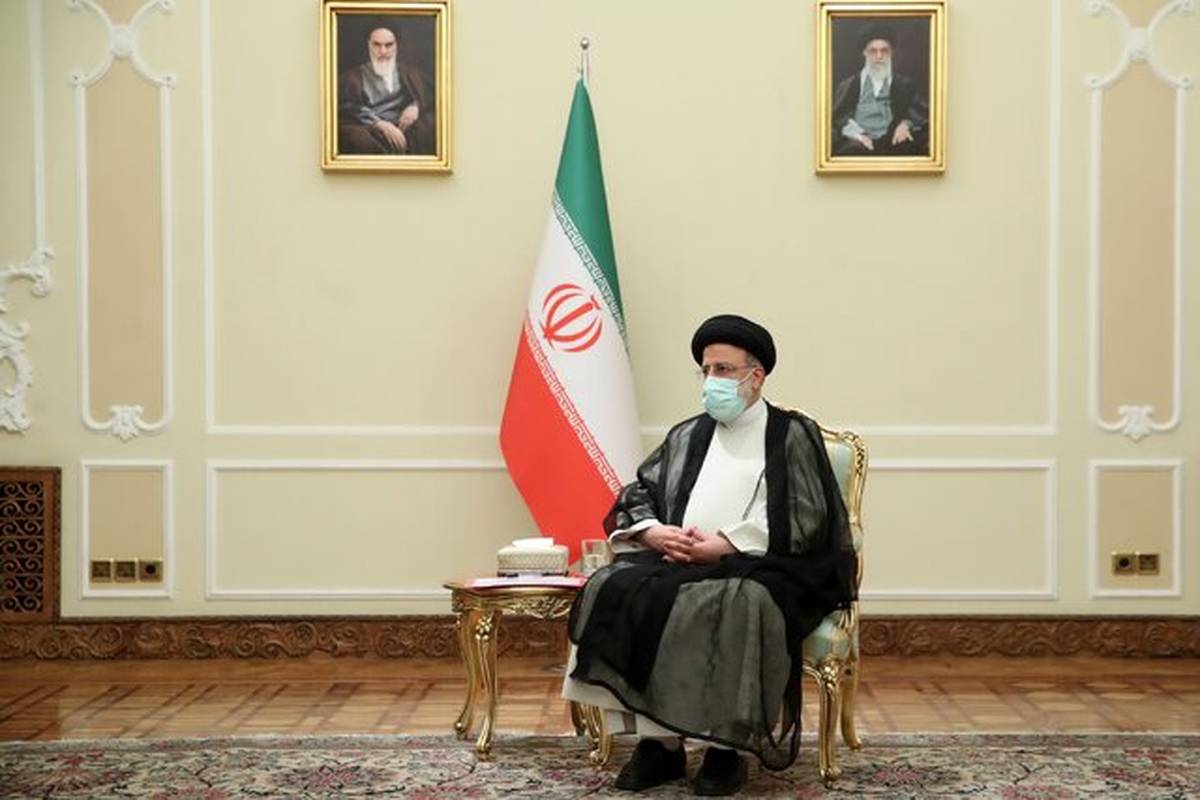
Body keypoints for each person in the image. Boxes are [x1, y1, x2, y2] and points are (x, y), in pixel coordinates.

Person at [562, 315, 858, 795]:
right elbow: (639, 492)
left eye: (723, 370)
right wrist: (656, 533)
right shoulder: (688, 434)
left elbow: (807, 514)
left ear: (755, 376)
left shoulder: (790, 434)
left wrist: (728, 543)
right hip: (680, 558)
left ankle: (725, 749)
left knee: (738, 600)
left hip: (764, 563)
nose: (711, 381)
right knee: (612, 585)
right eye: (705, 371)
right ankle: (660, 746)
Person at [831, 24, 929, 156]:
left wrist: (905, 125)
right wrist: (858, 135)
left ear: (891, 53)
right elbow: (838, 118)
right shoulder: (848, 85)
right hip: (858, 143)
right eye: (873, 51)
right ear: (864, 53)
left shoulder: (905, 84)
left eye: (884, 51)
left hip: (894, 140)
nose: (879, 56)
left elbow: (918, 110)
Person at [338, 26, 435, 155]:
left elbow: (429, 96)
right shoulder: (351, 78)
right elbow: (347, 108)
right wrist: (379, 123)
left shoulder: (410, 73)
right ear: (368, 45)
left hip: (405, 128)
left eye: (389, 45)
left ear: (396, 46)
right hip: (370, 130)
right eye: (376, 45)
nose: (383, 51)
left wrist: (415, 106)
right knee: (356, 139)